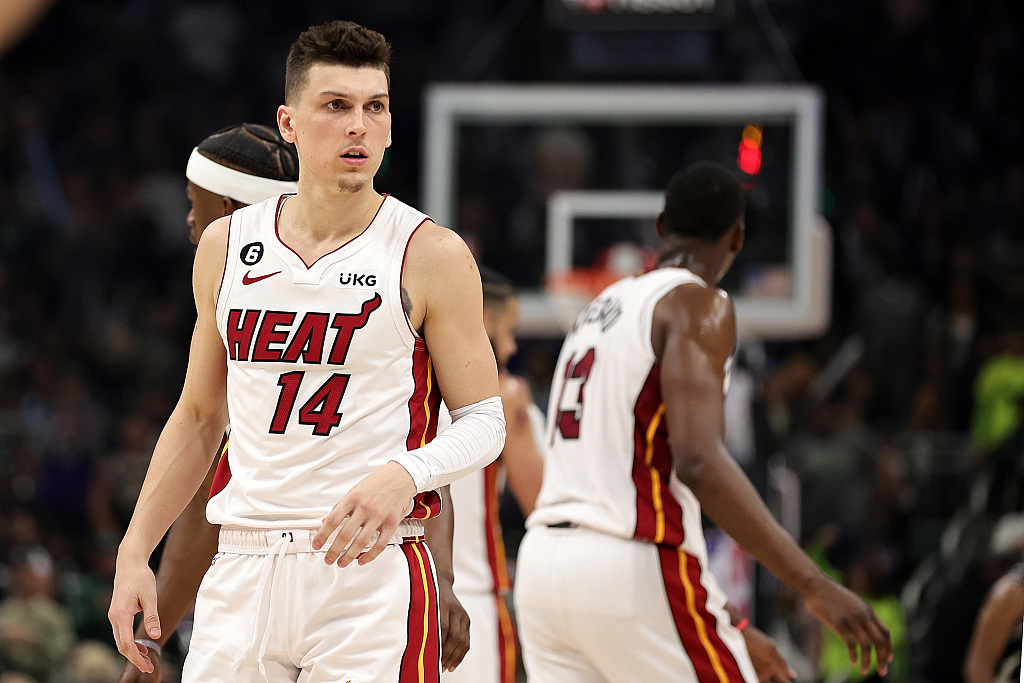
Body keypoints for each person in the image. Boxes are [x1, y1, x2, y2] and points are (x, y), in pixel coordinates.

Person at [109, 19, 504, 683]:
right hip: (242, 570)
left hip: (370, 571)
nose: (359, 126)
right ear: (289, 124)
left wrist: (407, 473)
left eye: (374, 107)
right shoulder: (225, 245)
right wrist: (133, 550)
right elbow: (201, 415)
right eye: (337, 106)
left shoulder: (431, 253)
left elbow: (485, 422)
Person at [513, 161, 893, 682]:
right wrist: (812, 583)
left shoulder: (600, 307)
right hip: (627, 567)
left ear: (661, 226)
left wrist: (727, 623)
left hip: (543, 572)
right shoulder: (698, 305)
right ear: (736, 237)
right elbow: (698, 461)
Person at [445, 267, 546, 683]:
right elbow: (545, 503)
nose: (512, 343)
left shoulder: (400, 385)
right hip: (469, 599)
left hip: (397, 593)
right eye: (510, 329)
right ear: (485, 320)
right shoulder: (505, 394)